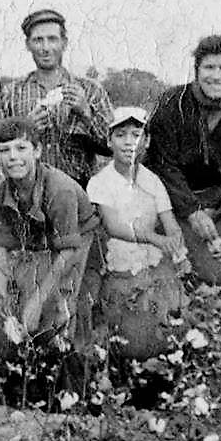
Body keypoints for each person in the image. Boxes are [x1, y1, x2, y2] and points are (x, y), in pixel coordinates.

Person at [145, 34, 221, 295]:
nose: (217, 76)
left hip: (218, 206)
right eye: (209, 67)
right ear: (197, 70)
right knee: (168, 277)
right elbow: (164, 166)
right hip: (169, 204)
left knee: (219, 275)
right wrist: (192, 212)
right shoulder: (173, 103)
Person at [0, 117, 100, 346]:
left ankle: (66, 355)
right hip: (42, 241)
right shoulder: (0, 195)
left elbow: (68, 251)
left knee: (60, 304)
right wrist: (2, 301)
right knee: (12, 307)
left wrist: (37, 301)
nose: (13, 157)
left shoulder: (60, 190)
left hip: (80, 240)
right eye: (4, 150)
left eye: (21, 148)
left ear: (37, 151)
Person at [86, 107, 189, 358]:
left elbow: (169, 220)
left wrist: (178, 249)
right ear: (109, 141)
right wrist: (155, 238)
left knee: (171, 319)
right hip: (117, 268)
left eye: (136, 134)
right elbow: (114, 226)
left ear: (147, 141)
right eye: (121, 135)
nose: (129, 142)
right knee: (128, 330)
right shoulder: (100, 182)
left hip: (152, 263)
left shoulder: (153, 180)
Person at [0, 9, 114, 187]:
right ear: (28, 45)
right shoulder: (12, 93)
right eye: (38, 40)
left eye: (52, 39)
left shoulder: (90, 90)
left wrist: (86, 113)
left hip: (78, 191)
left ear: (64, 43)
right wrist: (25, 130)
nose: (45, 48)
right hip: (27, 191)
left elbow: (111, 147)